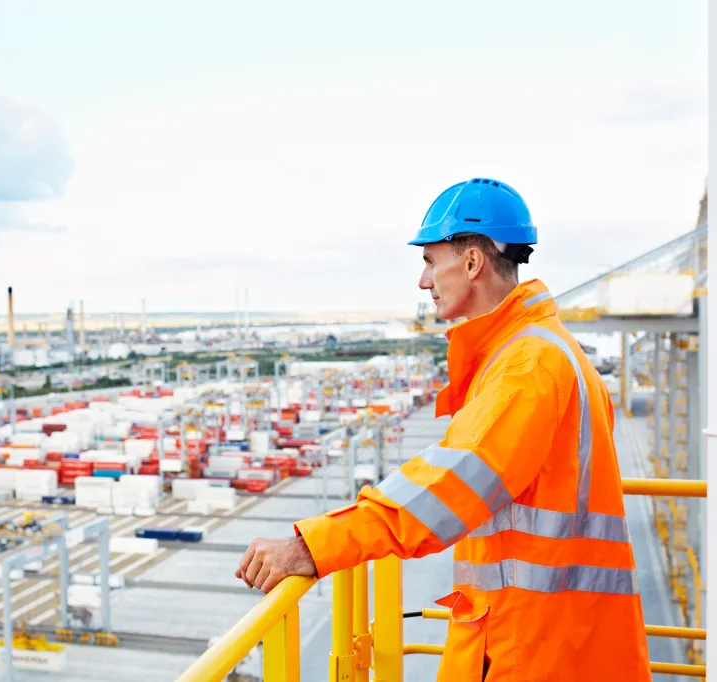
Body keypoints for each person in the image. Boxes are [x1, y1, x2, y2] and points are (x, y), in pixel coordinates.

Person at [235, 178, 652, 681]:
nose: (424, 281)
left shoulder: (528, 367)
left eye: (431, 261)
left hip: (530, 648)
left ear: (472, 262)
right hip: (560, 638)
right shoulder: (544, 350)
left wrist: (310, 547)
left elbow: (444, 491)